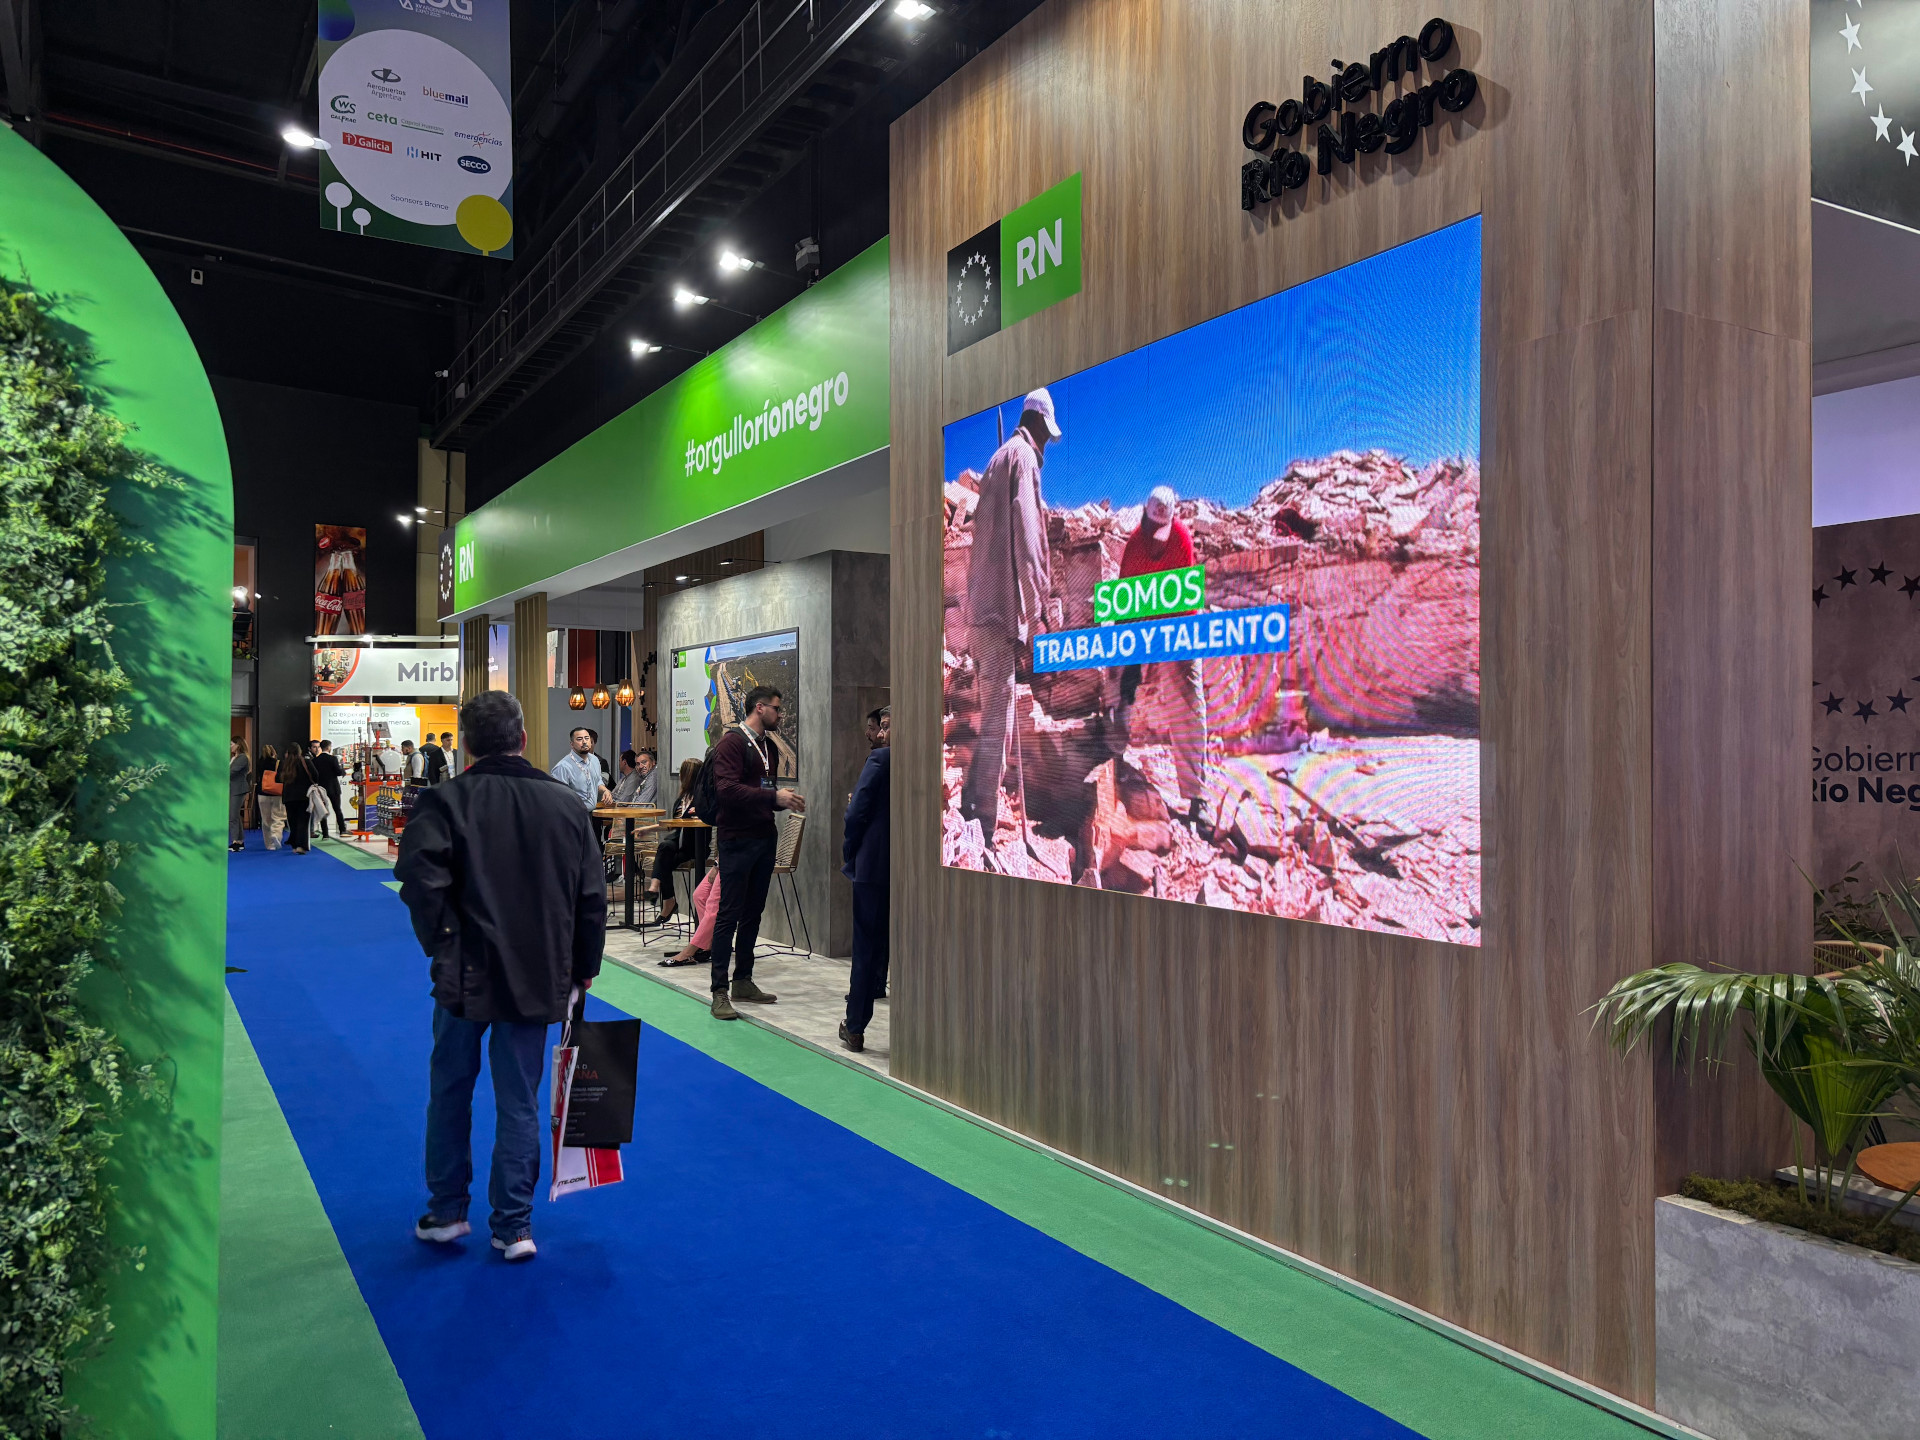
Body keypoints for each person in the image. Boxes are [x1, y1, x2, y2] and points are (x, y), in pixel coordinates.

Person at [395, 690, 606, 1264]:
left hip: (463, 972)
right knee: (520, 1101)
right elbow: (591, 897)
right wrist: (584, 967)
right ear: (524, 737)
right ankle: (513, 1226)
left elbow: (419, 883)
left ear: (465, 743)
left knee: (450, 1090)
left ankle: (447, 1211)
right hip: (538, 971)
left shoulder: (443, 800)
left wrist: (443, 943)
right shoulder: (566, 805)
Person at [961, 387, 1057, 828]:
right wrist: (1037, 612)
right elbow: (1029, 540)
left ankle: (973, 805)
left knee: (993, 718)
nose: (1047, 445)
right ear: (1037, 423)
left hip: (980, 611)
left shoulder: (997, 458)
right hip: (1002, 613)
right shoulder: (1023, 459)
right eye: (1047, 434)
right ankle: (982, 820)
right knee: (998, 725)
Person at [705, 684, 805, 1020]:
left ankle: (743, 981)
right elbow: (727, 791)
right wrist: (773, 797)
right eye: (777, 708)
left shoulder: (768, 747)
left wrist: (780, 800)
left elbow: (761, 790)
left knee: (753, 913)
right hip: (736, 839)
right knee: (728, 914)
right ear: (759, 708)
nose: (781, 714)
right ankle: (719, 991)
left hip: (764, 837)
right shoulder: (731, 743)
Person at [1118, 484, 1210, 827]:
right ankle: (1113, 762)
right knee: (1119, 684)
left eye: (1162, 530)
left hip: (1178, 621)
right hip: (1143, 618)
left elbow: (1180, 609)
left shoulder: (1181, 540)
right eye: (1152, 528)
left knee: (1188, 697)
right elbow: (1125, 608)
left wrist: (1169, 658)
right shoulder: (1133, 547)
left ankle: (1197, 795)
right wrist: (1130, 663)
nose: (1156, 537)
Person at [839, 706, 891, 1053]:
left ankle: (855, 1027)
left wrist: (850, 851)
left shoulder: (880, 759)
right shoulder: (933, 758)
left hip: (874, 866)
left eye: (886, 726)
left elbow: (856, 814)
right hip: (915, 871)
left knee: (866, 946)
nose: (881, 733)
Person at [641, 757, 710, 927]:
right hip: (677, 844)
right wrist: (648, 829)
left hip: (695, 846)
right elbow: (672, 825)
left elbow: (708, 819)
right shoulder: (681, 799)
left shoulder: (703, 798)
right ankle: (664, 897)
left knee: (663, 856)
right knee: (665, 849)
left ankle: (663, 896)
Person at [552, 725, 614, 810]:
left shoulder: (595, 760)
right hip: (574, 814)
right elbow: (559, 797)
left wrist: (605, 791)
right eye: (579, 739)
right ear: (572, 744)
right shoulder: (563, 767)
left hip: (592, 813)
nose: (584, 742)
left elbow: (597, 781)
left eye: (587, 738)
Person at [278, 742, 316, 855]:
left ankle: (294, 845)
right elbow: (315, 775)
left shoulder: (284, 764)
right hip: (304, 796)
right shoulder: (306, 762)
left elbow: (278, 778)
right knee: (303, 822)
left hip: (288, 797)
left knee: (292, 821)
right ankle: (301, 845)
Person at [310, 739, 347, 833]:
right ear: (329, 747)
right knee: (337, 809)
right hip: (333, 788)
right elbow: (338, 772)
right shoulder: (333, 759)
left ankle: (325, 833)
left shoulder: (315, 760)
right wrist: (343, 771)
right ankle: (342, 830)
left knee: (323, 810)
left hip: (321, 788)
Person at [256, 743, 285, 851]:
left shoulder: (259, 763)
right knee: (278, 817)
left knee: (265, 820)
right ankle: (276, 834)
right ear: (274, 752)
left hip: (262, 793)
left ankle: (269, 844)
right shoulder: (278, 763)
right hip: (277, 793)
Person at [229, 739, 251, 852]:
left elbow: (232, 771)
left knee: (232, 816)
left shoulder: (242, 758)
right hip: (234, 789)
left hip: (238, 789)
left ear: (238, 745)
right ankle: (240, 840)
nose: (230, 746)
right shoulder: (235, 758)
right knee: (235, 815)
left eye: (231, 744)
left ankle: (235, 842)